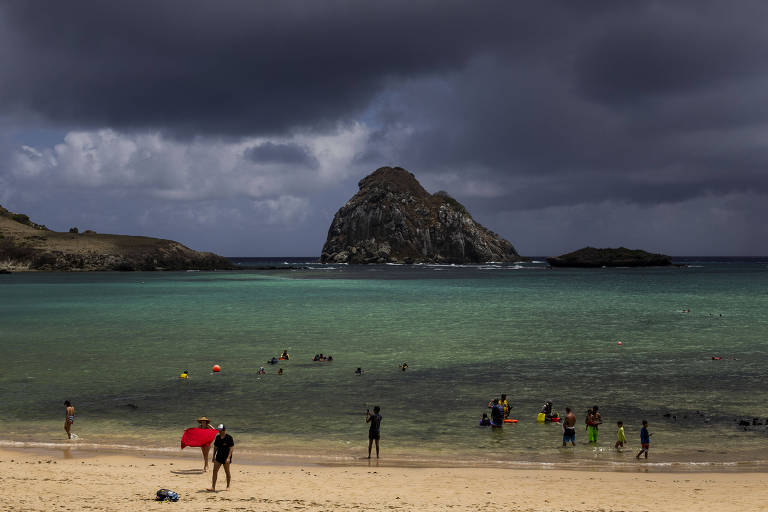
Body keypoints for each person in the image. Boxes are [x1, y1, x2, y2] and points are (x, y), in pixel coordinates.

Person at [208, 424, 234, 491]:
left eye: (220, 430)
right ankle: (213, 487)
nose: (219, 431)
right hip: (218, 457)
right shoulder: (218, 437)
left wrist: (228, 458)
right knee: (215, 471)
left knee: (227, 472)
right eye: (218, 430)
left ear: (224, 430)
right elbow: (215, 447)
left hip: (226, 458)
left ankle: (228, 486)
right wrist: (213, 457)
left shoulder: (229, 437)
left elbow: (231, 448)